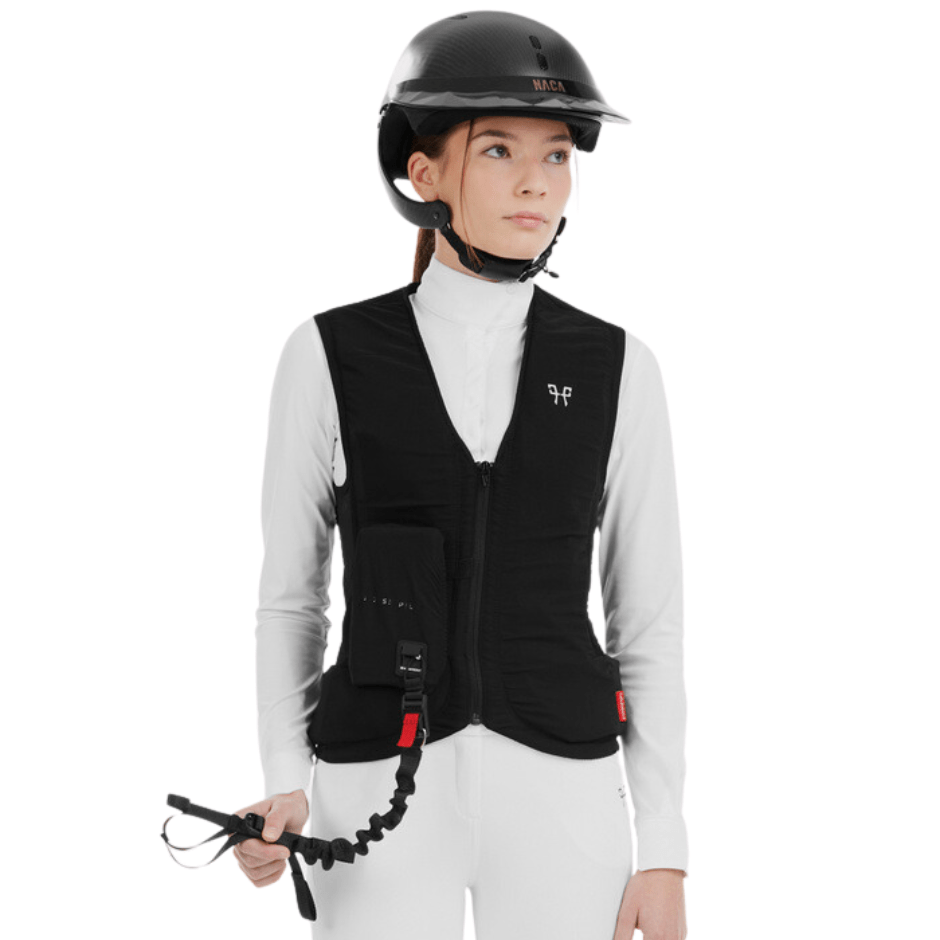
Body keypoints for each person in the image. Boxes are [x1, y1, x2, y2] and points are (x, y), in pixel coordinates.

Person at [232, 11, 688, 940]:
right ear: (423, 171)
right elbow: (291, 600)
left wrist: (665, 847)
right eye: (498, 150)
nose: (536, 181)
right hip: (373, 784)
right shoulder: (328, 355)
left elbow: (649, 618)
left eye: (557, 155)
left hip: (564, 791)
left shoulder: (619, 368)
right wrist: (285, 779)